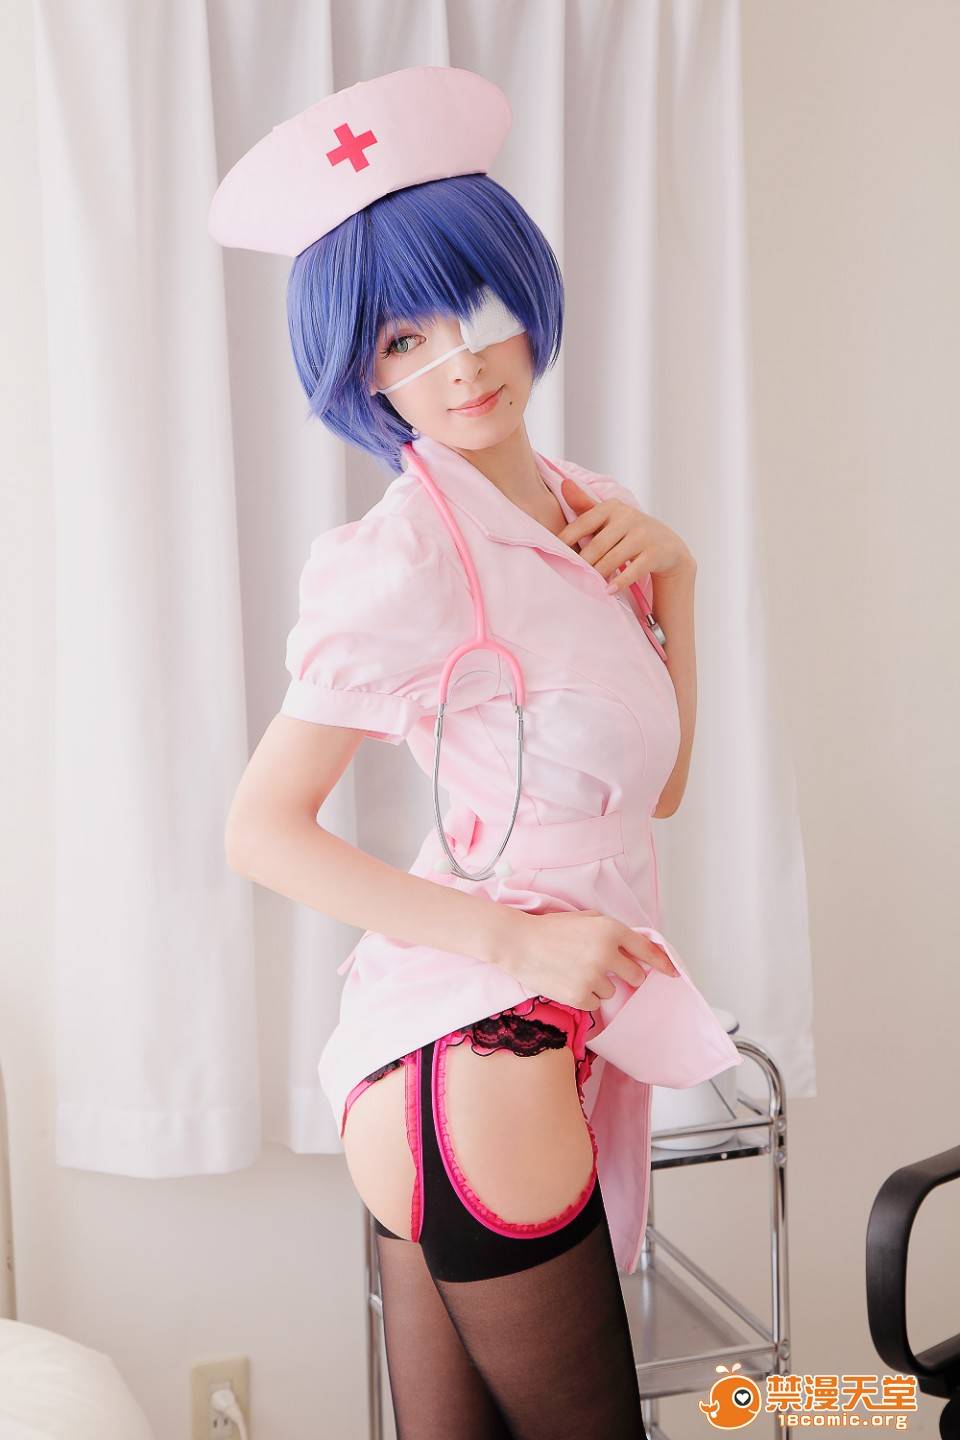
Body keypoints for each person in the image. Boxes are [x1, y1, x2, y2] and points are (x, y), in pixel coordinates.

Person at [212, 65, 740, 1439]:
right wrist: (519, 945)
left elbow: (656, 791)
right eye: (401, 339)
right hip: (475, 1048)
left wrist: (679, 584)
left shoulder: (591, 511)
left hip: (521, 1044)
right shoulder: (397, 562)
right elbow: (262, 830)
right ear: (358, 370)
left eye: (478, 306)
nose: (456, 362)